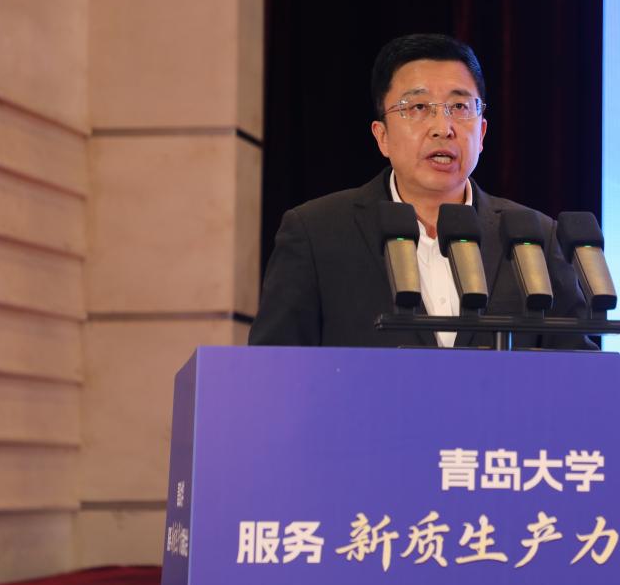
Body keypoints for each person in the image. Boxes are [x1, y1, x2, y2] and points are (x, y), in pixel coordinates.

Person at [248, 33, 594, 349]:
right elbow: (273, 370)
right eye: (418, 108)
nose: (443, 128)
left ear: (482, 133)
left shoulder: (534, 238)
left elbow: (582, 374)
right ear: (382, 136)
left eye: (459, 107)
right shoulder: (316, 233)